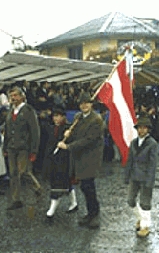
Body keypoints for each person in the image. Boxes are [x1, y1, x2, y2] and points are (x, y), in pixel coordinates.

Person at [57, 92, 104, 229]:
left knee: (89, 186)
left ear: (91, 104)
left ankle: (94, 214)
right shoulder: (78, 117)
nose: (84, 105)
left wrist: (68, 146)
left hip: (90, 157)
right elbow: (76, 134)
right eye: (82, 103)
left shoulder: (96, 120)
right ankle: (90, 213)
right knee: (84, 186)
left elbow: (89, 140)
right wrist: (68, 133)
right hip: (79, 157)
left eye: (87, 103)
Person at [3, 86, 41, 210]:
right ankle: (16, 199)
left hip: (24, 147)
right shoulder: (10, 111)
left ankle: (37, 188)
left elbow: (35, 132)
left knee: (23, 172)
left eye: (15, 95)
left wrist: (34, 150)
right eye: (11, 96)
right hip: (11, 147)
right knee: (13, 174)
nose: (13, 98)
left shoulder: (28, 111)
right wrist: (5, 147)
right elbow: (7, 131)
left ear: (21, 97)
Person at [124, 116, 158, 237]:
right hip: (134, 176)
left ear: (148, 129)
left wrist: (150, 181)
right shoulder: (133, 142)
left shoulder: (152, 144)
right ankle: (140, 218)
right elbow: (130, 160)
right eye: (139, 128)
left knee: (145, 203)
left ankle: (145, 226)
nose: (141, 130)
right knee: (130, 200)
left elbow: (152, 164)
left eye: (144, 128)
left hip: (145, 177)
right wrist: (126, 176)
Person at [43, 107, 78, 218]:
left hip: (64, 161)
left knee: (58, 185)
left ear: (64, 117)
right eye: (55, 116)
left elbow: (75, 143)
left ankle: (52, 209)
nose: (56, 118)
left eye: (59, 116)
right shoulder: (51, 128)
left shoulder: (69, 129)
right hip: (52, 160)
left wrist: (70, 136)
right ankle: (74, 203)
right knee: (65, 183)